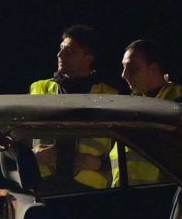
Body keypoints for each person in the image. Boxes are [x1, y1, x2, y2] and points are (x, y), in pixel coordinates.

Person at [27, 24, 119, 193]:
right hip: (45, 187)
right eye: (61, 48)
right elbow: (13, 139)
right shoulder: (39, 89)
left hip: (90, 191)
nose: (60, 54)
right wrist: (31, 154)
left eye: (69, 51)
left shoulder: (109, 96)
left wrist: (101, 164)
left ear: (88, 59)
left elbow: (126, 149)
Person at [118, 38, 182, 185]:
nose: (124, 74)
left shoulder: (179, 101)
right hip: (125, 190)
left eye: (132, 68)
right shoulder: (132, 102)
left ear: (153, 69)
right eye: (123, 68)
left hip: (158, 191)